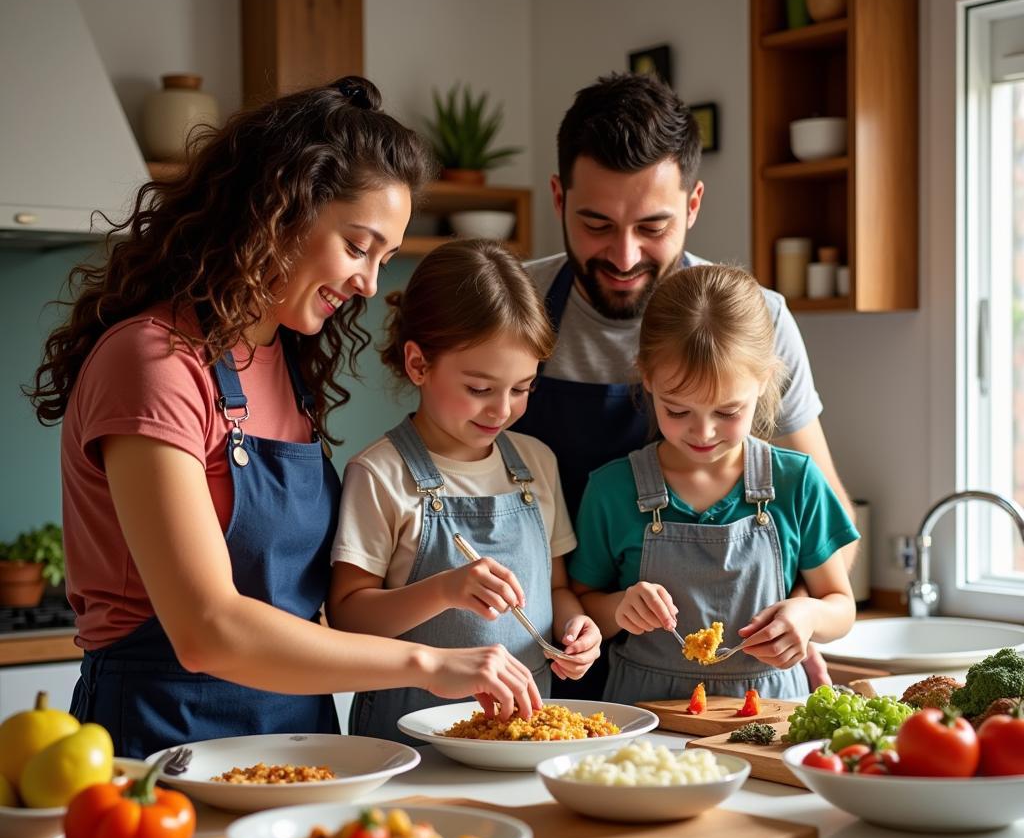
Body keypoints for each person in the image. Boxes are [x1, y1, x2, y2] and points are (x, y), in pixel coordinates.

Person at [28, 77, 542, 760]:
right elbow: (207, 628)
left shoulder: (284, 363)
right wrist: (429, 667)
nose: (367, 283)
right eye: (359, 247)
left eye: (384, 260)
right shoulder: (153, 362)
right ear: (282, 208)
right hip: (165, 739)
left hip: (298, 742)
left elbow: (315, 609)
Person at [513, 72, 856, 696]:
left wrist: (796, 619)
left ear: (693, 205)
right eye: (596, 224)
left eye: (652, 227)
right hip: (536, 655)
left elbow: (822, 521)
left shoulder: (758, 319)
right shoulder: (515, 309)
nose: (622, 256)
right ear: (559, 198)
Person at [327, 240, 601, 742]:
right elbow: (348, 618)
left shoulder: (537, 463)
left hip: (525, 737)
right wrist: (445, 589)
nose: (502, 410)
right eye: (479, 389)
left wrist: (578, 628)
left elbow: (558, 589)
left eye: (522, 388)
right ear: (418, 365)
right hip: (408, 740)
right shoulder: (379, 473)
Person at [570, 264, 858, 704]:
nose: (703, 433)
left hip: (769, 708)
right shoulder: (612, 490)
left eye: (727, 412)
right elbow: (582, 603)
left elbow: (840, 604)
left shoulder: (796, 482)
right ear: (646, 377)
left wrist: (807, 614)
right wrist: (619, 608)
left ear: (762, 380)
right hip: (645, 714)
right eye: (678, 411)